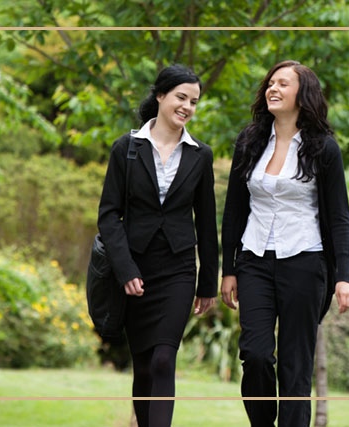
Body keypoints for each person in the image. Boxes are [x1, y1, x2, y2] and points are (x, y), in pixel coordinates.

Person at [221, 60, 349, 427]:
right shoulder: (249, 142)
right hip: (254, 260)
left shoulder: (323, 149)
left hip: (305, 262)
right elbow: (234, 210)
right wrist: (228, 269)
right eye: (270, 82)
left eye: (283, 83)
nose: (273, 88)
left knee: (297, 368)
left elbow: (340, 217)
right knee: (256, 354)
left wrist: (343, 276)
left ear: (304, 93)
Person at [97, 64, 218, 427]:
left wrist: (207, 283)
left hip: (179, 270)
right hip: (136, 271)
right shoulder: (126, 149)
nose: (187, 107)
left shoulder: (201, 155)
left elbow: (207, 220)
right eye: (181, 97)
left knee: (165, 359)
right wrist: (125, 269)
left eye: (194, 101)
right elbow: (108, 215)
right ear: (161, 95)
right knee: (145, 367)